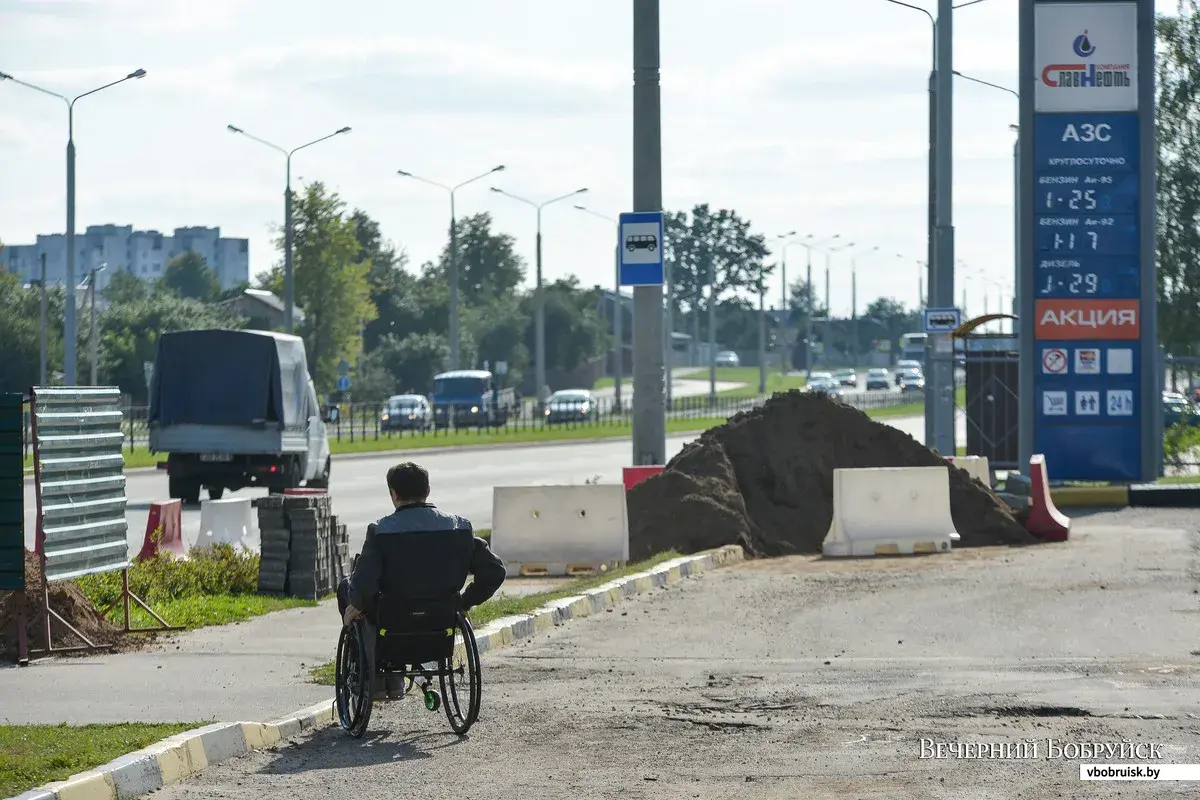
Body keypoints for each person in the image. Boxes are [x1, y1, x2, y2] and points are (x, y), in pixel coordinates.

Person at [337, 461, 506, 698]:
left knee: (348, 588)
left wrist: (356, 604)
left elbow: (364, 584)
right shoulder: (460, 528)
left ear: (393, 494)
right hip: (441, 618)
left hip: (392, 619)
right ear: (427, 491)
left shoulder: (380, 531)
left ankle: (373, 675)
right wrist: (464, 602)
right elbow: (495, 571)